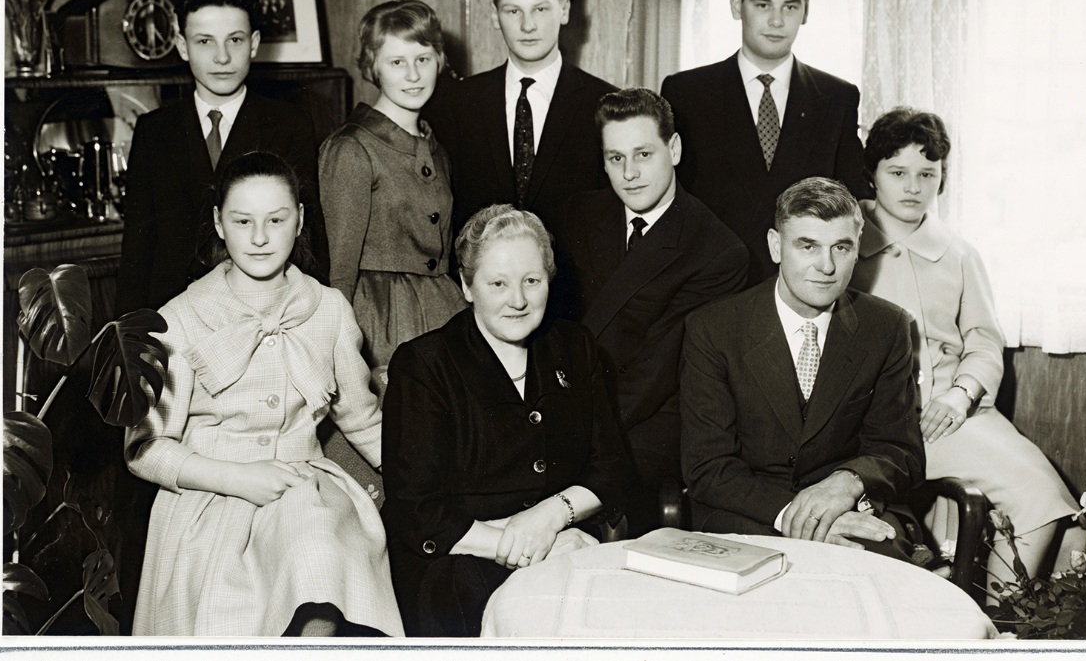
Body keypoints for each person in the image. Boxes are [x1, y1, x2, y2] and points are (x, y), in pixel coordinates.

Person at [124, 151, 401, 637]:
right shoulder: (179, 318)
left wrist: (431, 483)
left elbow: (362, 420)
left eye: (276, 220)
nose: (258, 237)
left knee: (318, 558)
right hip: (207, 495)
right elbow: (144, 449)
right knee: (224, 607)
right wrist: (234, 478)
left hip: (301, 488)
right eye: (242, 220)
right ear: (218, 222)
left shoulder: (329, 309)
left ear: (299, 221)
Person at [848, 107, 1080, 586]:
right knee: (1038, 495)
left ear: (942, 179)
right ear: (871, 174)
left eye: (927, 174)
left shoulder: (958, 254)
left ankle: (999, 621)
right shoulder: (844, 242)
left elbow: (983, 339)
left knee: (1048, 502)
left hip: (955, 412)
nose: (913, 187)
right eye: (897, 173)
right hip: (884, 423)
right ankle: (990, 623)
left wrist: (961, 394)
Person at [381, 205, 633, 637]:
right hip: (457, 566)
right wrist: (531, 548)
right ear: (466, 284)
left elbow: (611, 469)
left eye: (531, 281)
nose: (518, 300)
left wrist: (551, 518)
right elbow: (418, 512)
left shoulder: (574, 346)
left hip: (565, 541)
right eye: (498, 283)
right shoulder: (424, 365)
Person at [680, 177, 925, 562]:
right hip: (748, 516)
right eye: (807, 246)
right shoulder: (713, 329)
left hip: (851, 513)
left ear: (857, 248)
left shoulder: (888, 327)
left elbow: (900, 452)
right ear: (776, 247)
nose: (826, 266)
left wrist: (848, 482)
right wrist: (800, 518)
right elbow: (709, 468)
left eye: (841, 247)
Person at [560, 88, 748, 534]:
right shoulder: (578, 215)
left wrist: (567, 429)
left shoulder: (717, 250)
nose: (629, 173)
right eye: (615, 158)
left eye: (643, 153)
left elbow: (656, 372)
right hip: (574, 402)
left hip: (653, 419)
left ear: (675, 149)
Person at [315, 0, 467, 507]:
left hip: (443, 315)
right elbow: (338, 269)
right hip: (377, 326)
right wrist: (343, 355)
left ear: (440, 60)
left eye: (423, 58)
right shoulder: (351, 148)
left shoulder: (434, 144)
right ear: (371, 65)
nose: (413, 74)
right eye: (397, 61)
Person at [661, 0, 870, 287]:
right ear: (736, 5)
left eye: (790, 6)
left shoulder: (838, 97)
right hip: (709, 289)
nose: (777, 21)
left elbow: (852, 201)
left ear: (806, 10)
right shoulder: (686, 93)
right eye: (762, 5)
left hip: (803, 289)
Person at [117, 0, 324, 314]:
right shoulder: (154, 130)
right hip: (173, 316)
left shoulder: (289, 124)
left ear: (254, 44)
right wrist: (127, 341)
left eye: (235, 40)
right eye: (204, 42)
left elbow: (308, 238)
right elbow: (137, 251)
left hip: (263, 313)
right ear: (182, 46)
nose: (222, 57)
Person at [423, 0, 615, 243]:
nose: (528, 25)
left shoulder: (606, 105)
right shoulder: (457, 104)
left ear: (564, 10)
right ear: (494, 15)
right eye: (513, 11)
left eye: (540, 9)